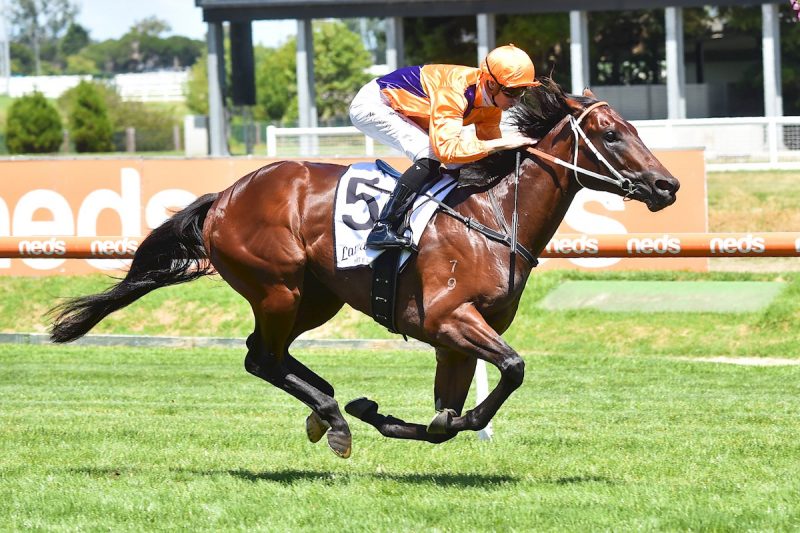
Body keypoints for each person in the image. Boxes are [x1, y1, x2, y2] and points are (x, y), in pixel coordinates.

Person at [349, 44, 540, 249]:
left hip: (407, 111)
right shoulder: (455, 90)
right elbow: (447, 151)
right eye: (512, 92)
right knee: (431, 155)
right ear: (491, 84)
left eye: (522, 92)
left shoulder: (492, 105)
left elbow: (489, 153)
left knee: (461, 165)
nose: (517, 100)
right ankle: (382, 227)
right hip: (376, 104)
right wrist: (504, 142)